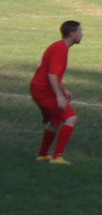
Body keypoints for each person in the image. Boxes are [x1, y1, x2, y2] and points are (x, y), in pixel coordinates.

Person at [31, 20, 82, 164]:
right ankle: (57, 157)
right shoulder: (60, 50)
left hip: (38, 89)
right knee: (71, 118)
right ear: (72, 34)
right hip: (43, 91)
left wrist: (64, 89)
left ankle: (42, 154)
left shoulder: (58, 46)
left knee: (56, 120)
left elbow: (52, 72)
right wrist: (59, 95)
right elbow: (51, 75)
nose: (81, 35)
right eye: (79, 32)